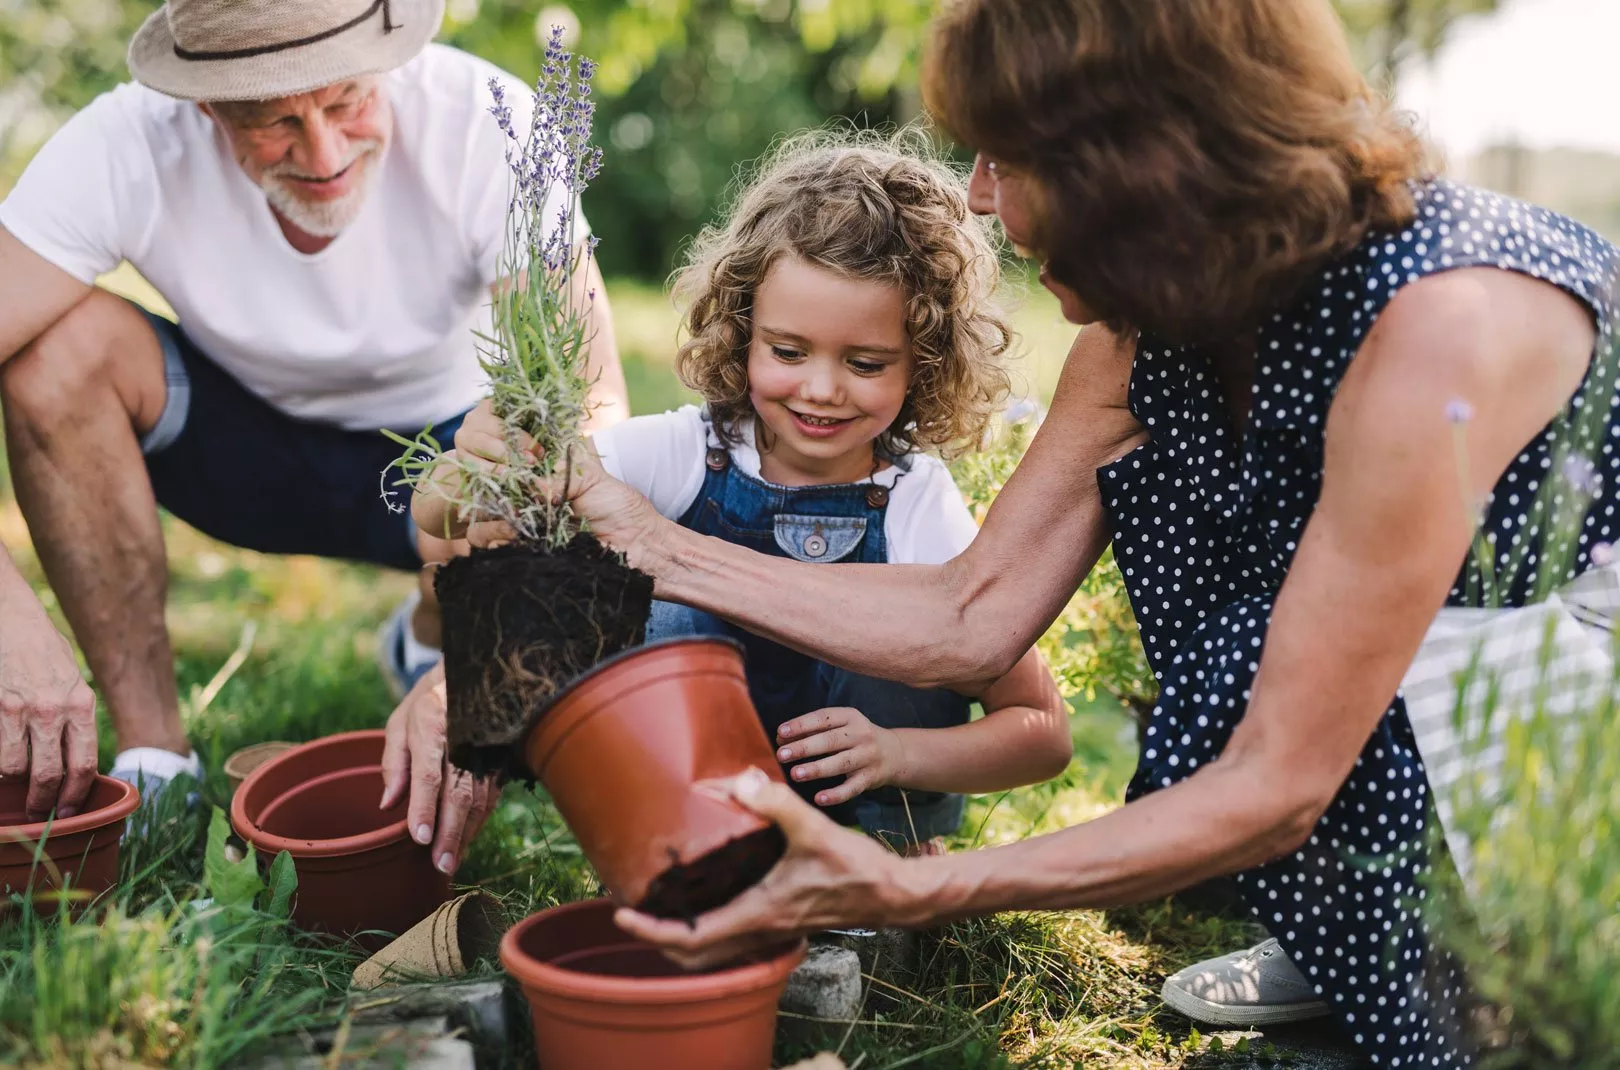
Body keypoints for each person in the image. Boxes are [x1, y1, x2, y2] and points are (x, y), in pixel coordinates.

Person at [418, 1, 1617, 1064]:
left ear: (1140, 165)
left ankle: (1460, 942)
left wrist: (908, 882)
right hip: (1395, 685)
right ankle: (1345, 939)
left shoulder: (1435, 335)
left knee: (1516, 1031)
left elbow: (1274, 782)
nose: (979, 196)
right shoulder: (1150, 326)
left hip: (1565, 743)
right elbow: (971, 611)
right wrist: (628, 550)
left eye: (1008, 157)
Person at [0, 0, 627, 821]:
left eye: (347, 101)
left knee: (528, 461)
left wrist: (470, 673)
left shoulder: (485, 122)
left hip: (440, 463)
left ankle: (430, 640)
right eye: (271, 121)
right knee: (54, 354)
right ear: (205, 104)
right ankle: (157, 762)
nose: (325, 153)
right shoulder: (126, 142)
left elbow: (592, 409)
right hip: (241, 453)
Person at [400, 133, 1072, 868]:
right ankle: (679, 843)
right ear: (742, 331)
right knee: (655, 608)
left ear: (926, 363)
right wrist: (470, 467)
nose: (820, 388)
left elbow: (1042, 730)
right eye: (787, 352)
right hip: (693, 800)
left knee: (913, 627)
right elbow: (442, 518)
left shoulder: (916, 503)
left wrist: (899, 753)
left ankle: (888, 851)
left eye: (866, 362)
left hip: (863, 816)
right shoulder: (685, 452)